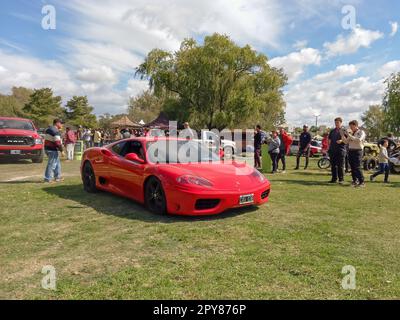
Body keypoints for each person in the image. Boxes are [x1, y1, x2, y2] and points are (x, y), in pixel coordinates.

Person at [340, 120, 366, 187]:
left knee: (357, 167)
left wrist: (349, 135)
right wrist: (342, 135)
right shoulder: (351, 133)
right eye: (350, 126)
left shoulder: (361, 132)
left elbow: (358, 140)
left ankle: (362, 182)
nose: (350, 128)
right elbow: (345, 142)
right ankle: (355, 181)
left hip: (358, 151)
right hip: (351, 151)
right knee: (352, 167)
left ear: (356, 125)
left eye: (352, 126)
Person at [44, 119, 64, 183]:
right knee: (52, 164)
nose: (62, 125)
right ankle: (48, 178)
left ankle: (57, 177)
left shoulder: (49, 129)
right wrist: (62, 151)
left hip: (47, 148)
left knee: (57, 164)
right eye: (61, 123)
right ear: (57, 123)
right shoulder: (55, 131)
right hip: (52, 149)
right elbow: (57, 142)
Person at [328, 118, 346, 184]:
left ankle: (341, 179)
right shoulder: (332, 131)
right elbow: (329, 139)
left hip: (341, 150)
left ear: (341, 123)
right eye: (335, 122)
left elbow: (347, 139)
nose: (336, 124)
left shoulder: (344, 130)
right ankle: (334, 179)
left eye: (338, 122)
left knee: (340, 166)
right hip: (333, 150)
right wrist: (329, 147)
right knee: (333, 165)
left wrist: (341, 141)